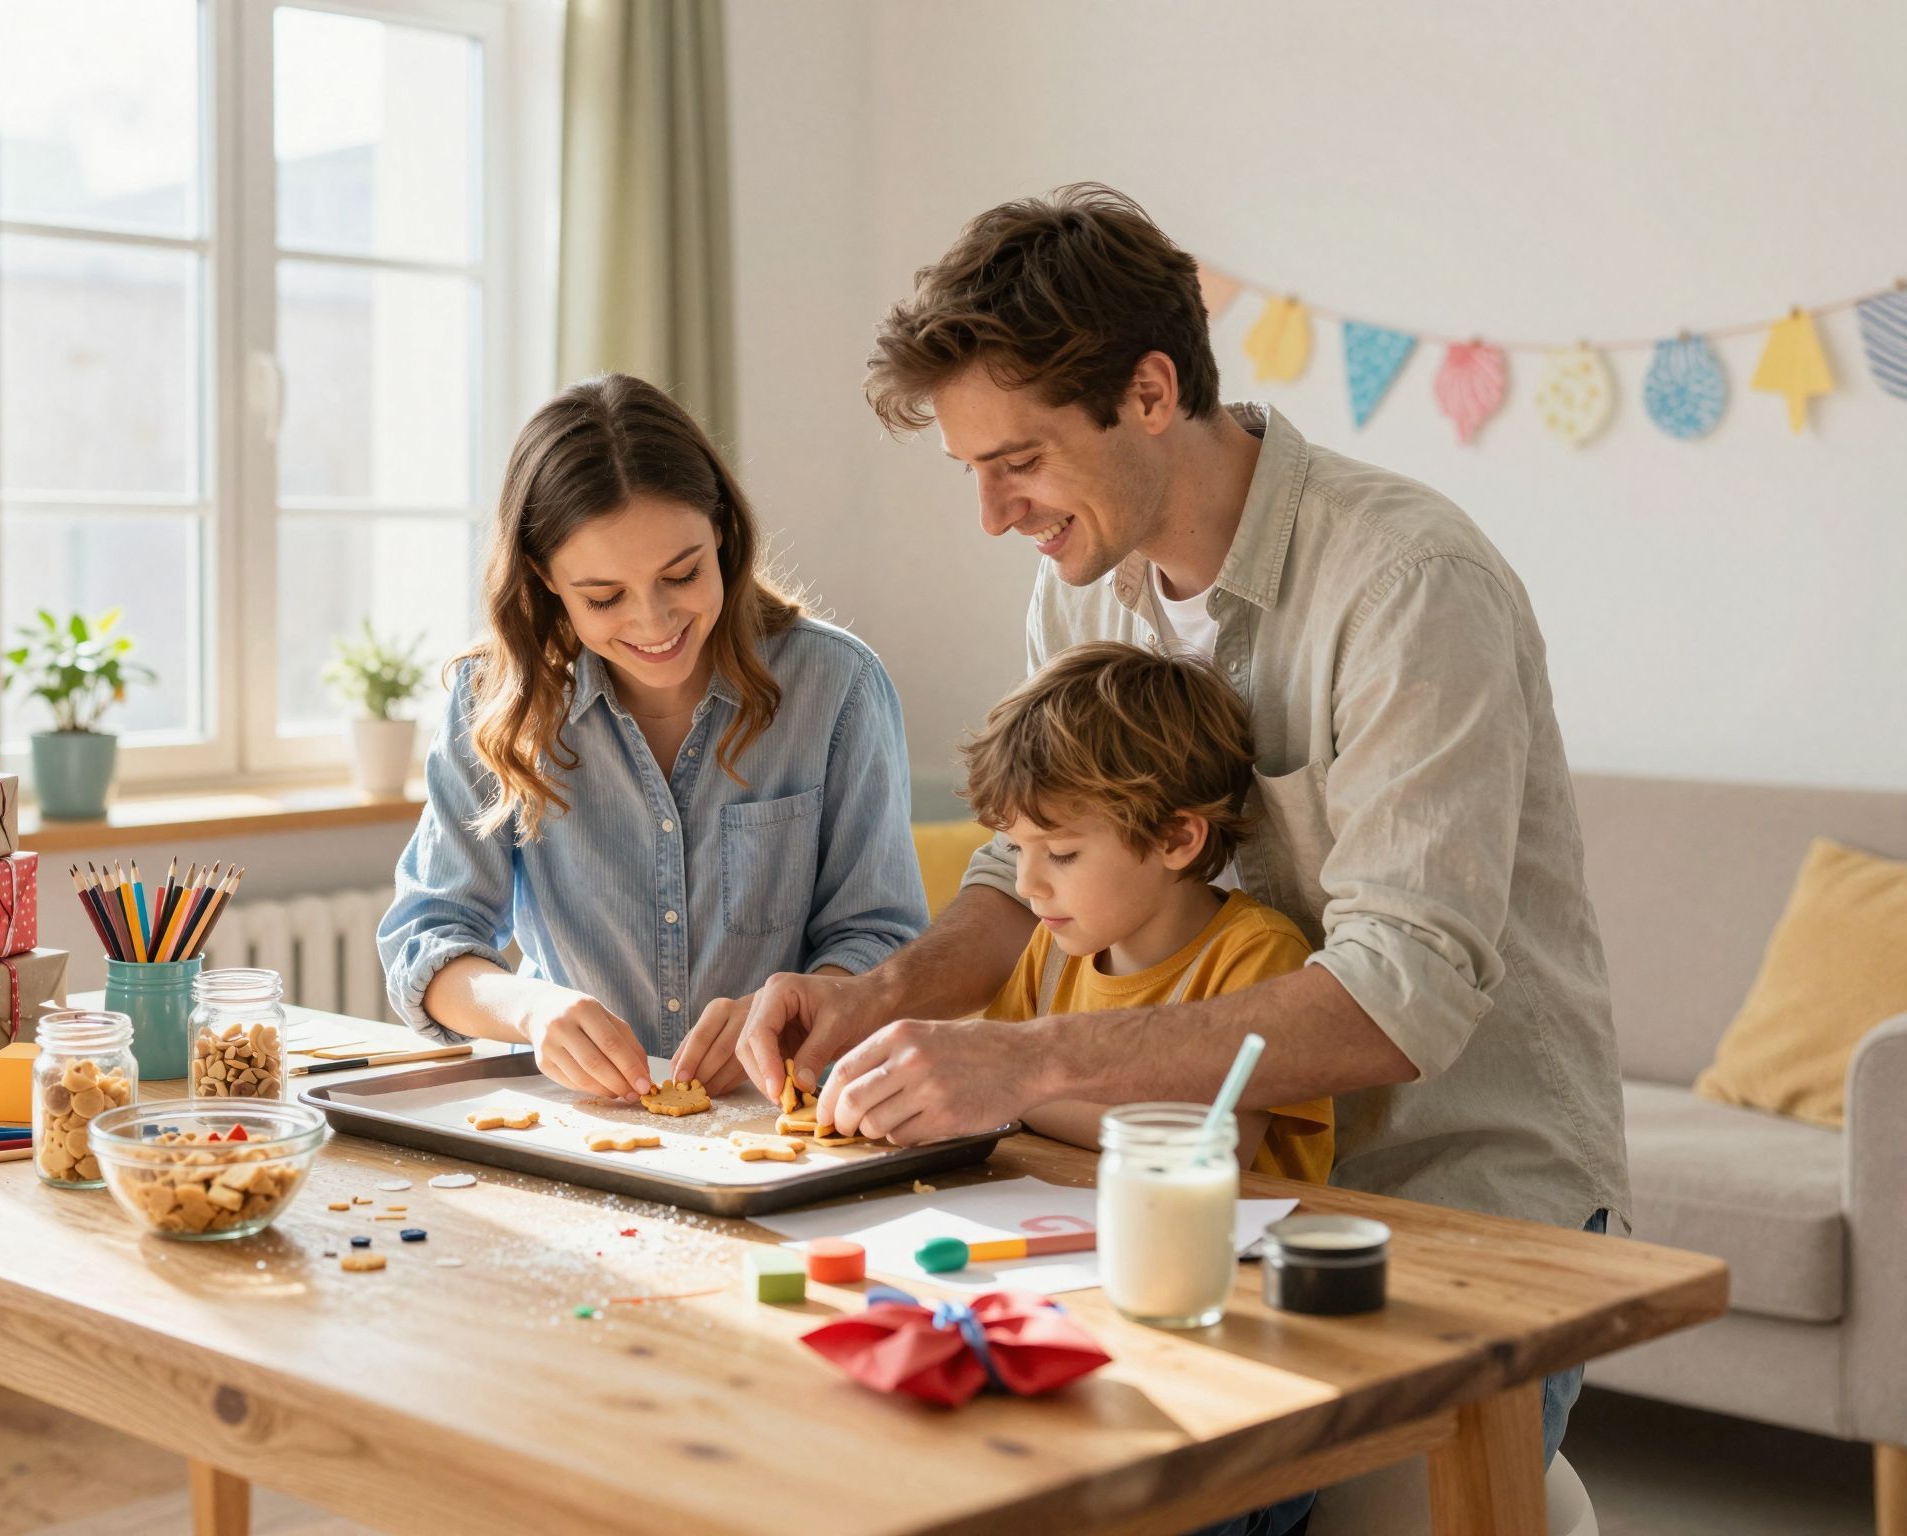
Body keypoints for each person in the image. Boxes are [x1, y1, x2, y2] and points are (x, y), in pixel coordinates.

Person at [715, 184, 1630, 1482]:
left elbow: (1396, 997)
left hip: (1449, 1201)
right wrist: (877, 997)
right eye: (971, 470)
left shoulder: (1409, 586)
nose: (994, 515)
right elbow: (1014, 868)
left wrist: (1025, 1063)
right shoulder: (1084, 593)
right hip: (1204, 1200)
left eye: (1018, 462)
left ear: (1151, 392)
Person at [377, 373, 926, 1101]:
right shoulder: (495, 701)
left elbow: (881, 936)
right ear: (545, 579)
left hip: (778, 1113)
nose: (654, 622)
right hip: (581, 1124)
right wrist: (532, 1010)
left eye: (682, 573)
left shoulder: (837, 687)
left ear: (723, 533)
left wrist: (795, 1006)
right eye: (603, 597)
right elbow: (428, 938)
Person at [969, 640, 1330, 1179]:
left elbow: (1212, 1145)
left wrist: (1010, 1090)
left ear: (1176, 838)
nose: (1027, 884)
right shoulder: (1052, 948)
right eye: (1018, 849)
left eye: (1062, 854)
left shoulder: (1257, 956)